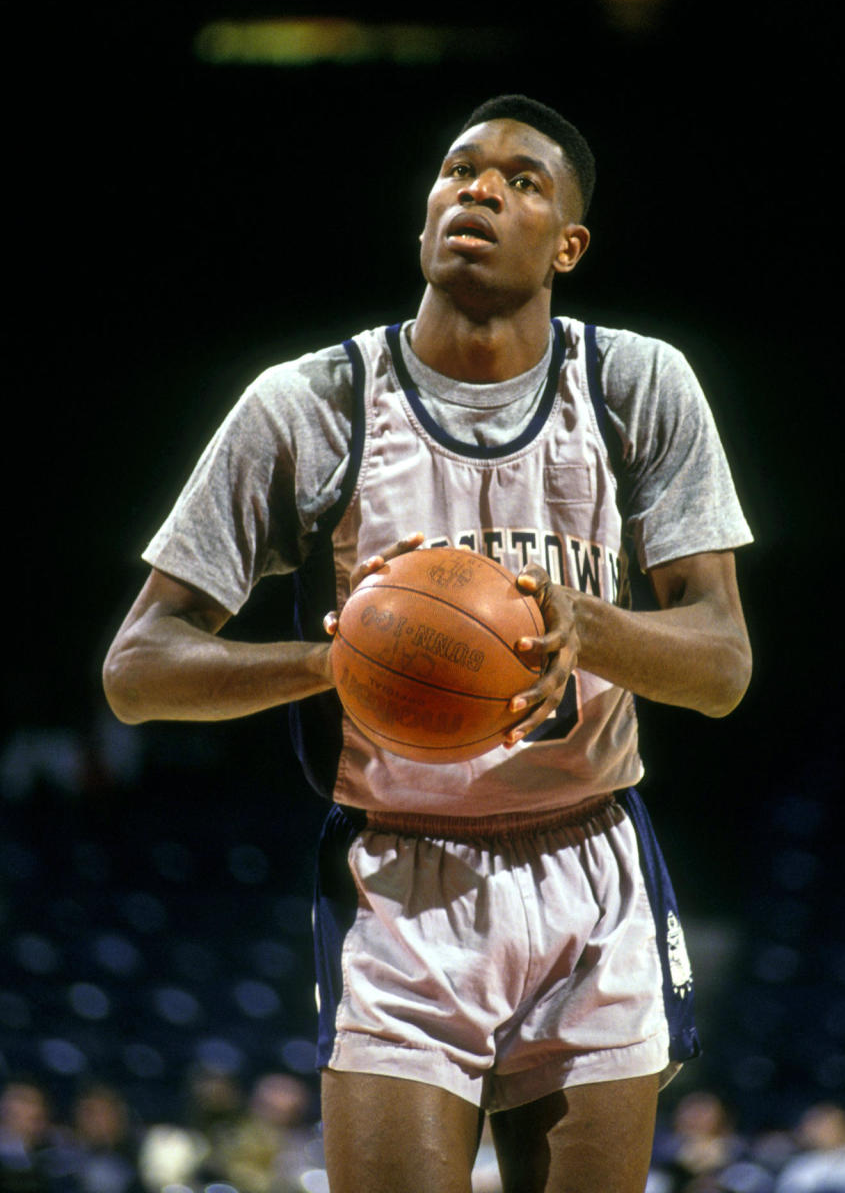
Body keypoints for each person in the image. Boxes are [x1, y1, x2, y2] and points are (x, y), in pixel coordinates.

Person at [102, 93, 753, 1193]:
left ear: (568, 245)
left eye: (521, 181)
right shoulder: (309, 407)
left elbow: (724, 667)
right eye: (458, 173)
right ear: (422, 221)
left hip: (588, 860)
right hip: (400, 875)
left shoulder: (638, 387)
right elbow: (137, 671)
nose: (481, 191)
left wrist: (587, 629)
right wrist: (331, 663)